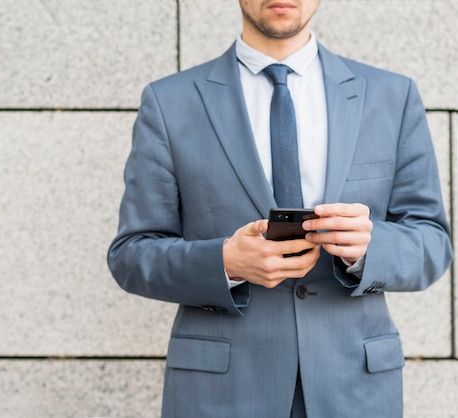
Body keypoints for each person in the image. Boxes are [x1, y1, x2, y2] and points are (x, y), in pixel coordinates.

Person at [107, 0, 453, 416]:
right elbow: (131, 254)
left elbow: (432, 243)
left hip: (354, 388)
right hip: (221, 392)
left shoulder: (392, 96)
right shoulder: (169, 101)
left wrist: (369, 249)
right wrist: (225, 263)